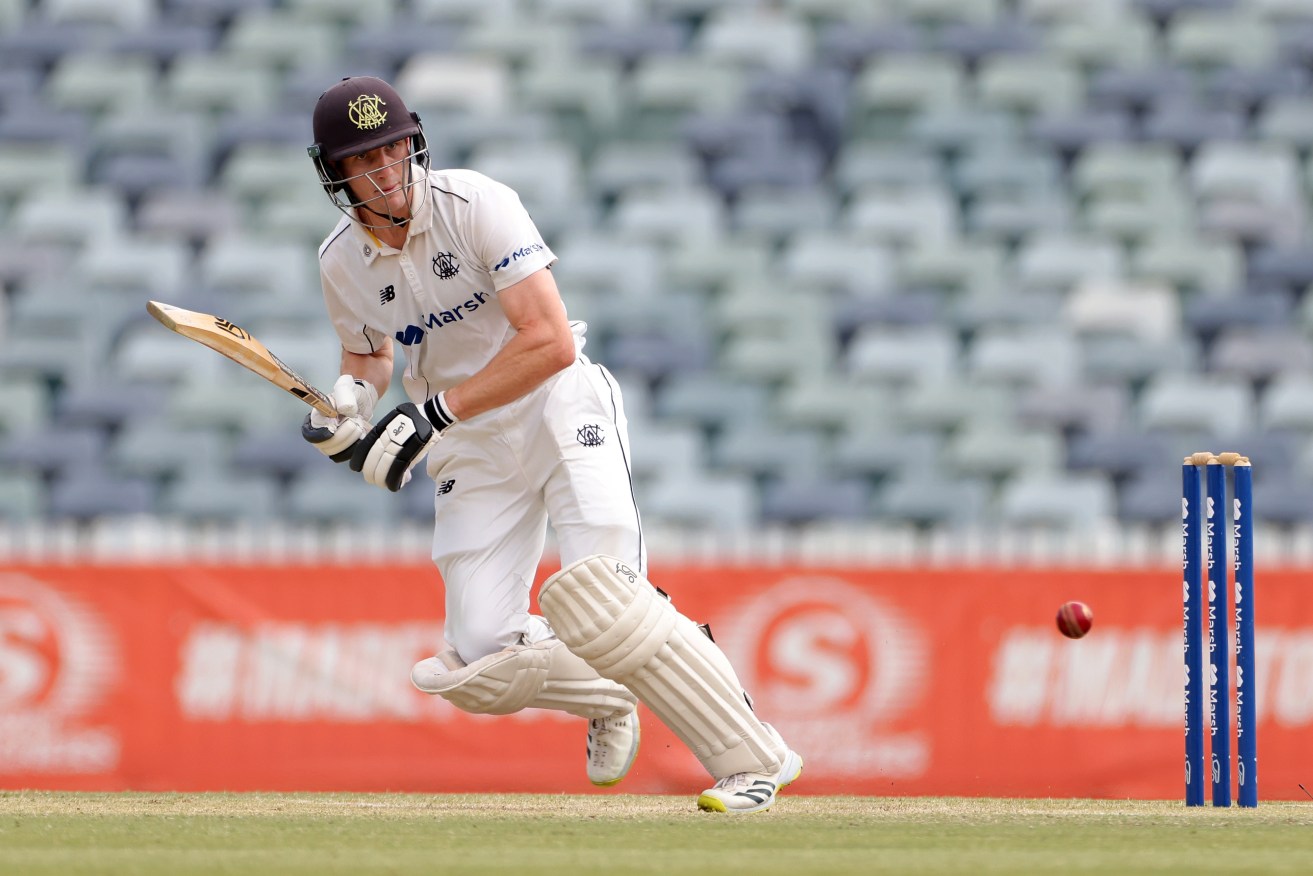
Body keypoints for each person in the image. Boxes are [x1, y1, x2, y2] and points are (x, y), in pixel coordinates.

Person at [301, 75, 802, 813]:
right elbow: (370, 353)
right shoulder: (340, 261)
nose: (387, 172)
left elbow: (551, 341)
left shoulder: (478, 205)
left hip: (554, 404)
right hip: (470, 443)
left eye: (395, 150)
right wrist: (351, 401)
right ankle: (609, 695)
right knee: (476, 663)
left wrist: (431, 413)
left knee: (602, 600)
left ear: (415, 144)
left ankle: (756, 761)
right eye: (364, 161)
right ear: (336, 175)